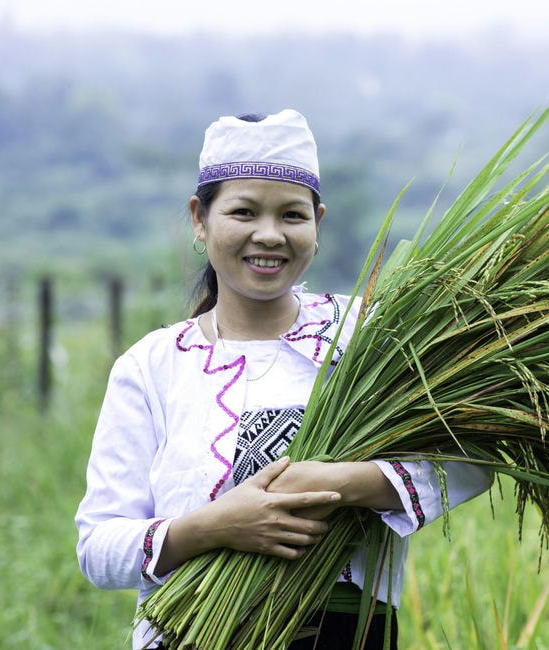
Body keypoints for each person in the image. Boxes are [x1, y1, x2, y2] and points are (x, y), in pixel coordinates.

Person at [75, 109, 493, 650]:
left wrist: (343, 483)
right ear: (200, 220)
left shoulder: (368, 335)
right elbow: (100, 545)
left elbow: (468, 458)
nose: (269, 235)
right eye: (244, 211)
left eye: (292, 216)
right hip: (185, 635)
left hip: (346, 634)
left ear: (318, 222)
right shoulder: (153, 366)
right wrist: (213, 526)